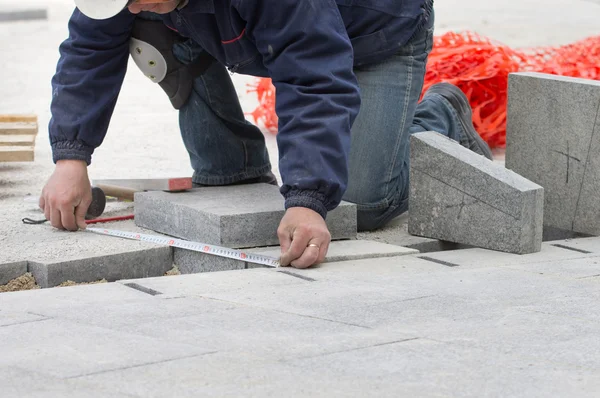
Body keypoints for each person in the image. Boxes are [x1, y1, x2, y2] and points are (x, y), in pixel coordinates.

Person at [40, 0, 492, 269]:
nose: (131, 7)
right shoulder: (137, 0)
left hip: (373, 31)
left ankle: (440, 115)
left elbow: (313, 74)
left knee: (363, 203)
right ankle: (234, 163)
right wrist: (71, 157)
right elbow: (90, 46)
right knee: (148, 24)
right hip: (263, 25)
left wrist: (306, 201)